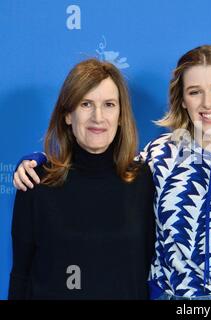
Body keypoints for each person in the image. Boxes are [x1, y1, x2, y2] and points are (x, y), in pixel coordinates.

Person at [13, 45, 211, 300]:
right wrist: (36, 162)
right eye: (194, 92)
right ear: (181, 100)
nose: (207, 103)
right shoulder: (157, 158)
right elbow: (96, 168)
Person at [8, 59, 155, 299]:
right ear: (67, 115)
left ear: (120, 116)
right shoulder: (35, 181)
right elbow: (21, 274)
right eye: (86, 104)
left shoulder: (142, 180)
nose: (98, 117)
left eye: (109, 105)